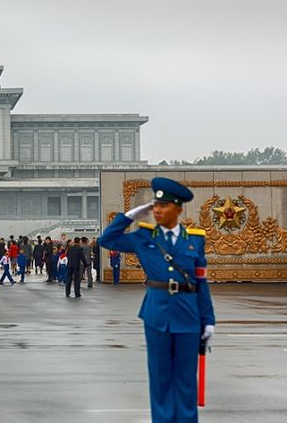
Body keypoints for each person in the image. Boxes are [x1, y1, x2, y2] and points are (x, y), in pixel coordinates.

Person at [99, 177, 215, 423]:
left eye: (164, 206)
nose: (158, 211)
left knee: (185, 378)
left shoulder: (195, 240)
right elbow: (106, 240)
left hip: (188, 314)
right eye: (155, 206)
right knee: (160, 377)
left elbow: (201, 283)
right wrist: (129, 215)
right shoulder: (144, 237)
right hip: (156, 314)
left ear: (178, 209)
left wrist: (209, 320)